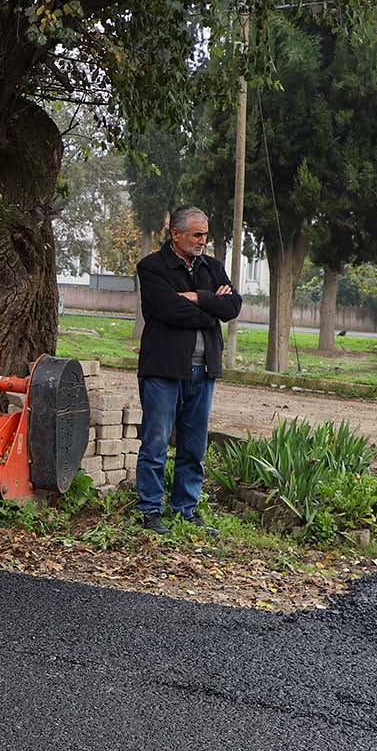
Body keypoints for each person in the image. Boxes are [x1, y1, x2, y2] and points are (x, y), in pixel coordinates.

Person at [133, 205, 241, 531]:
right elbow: (169, 311)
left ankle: (186, 510)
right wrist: (211, 305)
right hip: (163, 370)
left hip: (203, 372)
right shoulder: (152, 267)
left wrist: (196, 297)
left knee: (193, 447)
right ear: (176, 234)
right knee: (156, 443)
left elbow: (233, 306)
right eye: (197, 235)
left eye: (205, 235)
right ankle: (150, 510)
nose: (203, 241)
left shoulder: (212, 267)